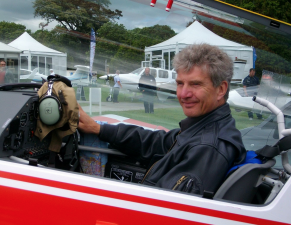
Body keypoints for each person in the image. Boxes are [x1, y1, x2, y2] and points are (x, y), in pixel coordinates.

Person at [78, 44, 246, 196]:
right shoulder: (202, 128)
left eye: (195, 84)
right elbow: (155, 141)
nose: (183, 94)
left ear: (221, 89)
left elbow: (165, 208)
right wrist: (99, 129)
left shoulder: (207, 146)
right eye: (180, 84)